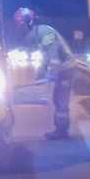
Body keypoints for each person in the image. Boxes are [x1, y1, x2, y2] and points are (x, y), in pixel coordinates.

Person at [15, 7, 75, 139]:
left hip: (65, 69)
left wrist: (51, 75)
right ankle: (61, 129)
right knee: (57, 99)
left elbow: (53, 56)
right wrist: (41, 72)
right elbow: (46, 56)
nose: (20, 29)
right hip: (62, 68)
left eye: (20, 25)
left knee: (61, 101)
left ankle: (62, 131)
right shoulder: (38, 34)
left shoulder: (45, 32)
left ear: (28, 22)